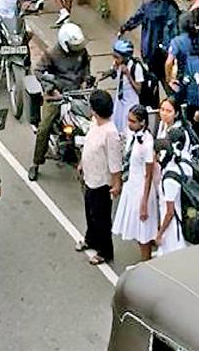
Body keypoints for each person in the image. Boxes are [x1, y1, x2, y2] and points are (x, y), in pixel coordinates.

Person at [28, 22, 92, 180]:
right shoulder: (52, 53)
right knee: (44, 128)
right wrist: (51, 89)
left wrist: (87, 81)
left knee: (91, 122)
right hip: (58, 96)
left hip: (77, 93)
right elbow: (38, 71)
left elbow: (86, 68)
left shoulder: (81, 51)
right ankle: (36, 163)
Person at [76, 89, 122, 266]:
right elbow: (88, 145)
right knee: (90, 212)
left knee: (101, 218)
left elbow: (115, 162)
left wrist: (116, 184)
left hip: (102, 183)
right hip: (90, 177)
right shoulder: (95, 123)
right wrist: (82, 163)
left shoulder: (111, 133)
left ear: (95, 109)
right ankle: (91, 239)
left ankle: (105, 251)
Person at [112, 105, 158, 262]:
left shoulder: (147, 143)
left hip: (141, 190)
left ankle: (147, 262)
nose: (129, 123)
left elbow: (148, 175)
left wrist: (144, 202)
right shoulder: (132, 135)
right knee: (138, 231)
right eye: (128, 120)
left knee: (143, 233)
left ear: (143, 123)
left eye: (133, 121)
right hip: (131, 186)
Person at [120, 0, 179, 91]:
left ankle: (154, 102)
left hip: (150, 49)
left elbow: (135, 19)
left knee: (152, 79)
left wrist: (124, 28)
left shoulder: (147, 7)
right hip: (165, 51)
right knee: (166, 80)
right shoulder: (171, 7)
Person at [155, 127, 192, 256]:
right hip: (180, 222)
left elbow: (169, 213)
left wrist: (159, 234)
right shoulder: (185, 162)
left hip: (172, 231)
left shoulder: (170, 178)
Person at [166, 8, 199, 120]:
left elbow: (169, 63)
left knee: (188, 117)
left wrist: (169, 79)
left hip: (187, 84)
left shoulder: (178, 41)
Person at [110, 38, 144, 134]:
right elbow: (114, 76)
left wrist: (128, 75)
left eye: (117, 57)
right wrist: (113, 70)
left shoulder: (136, 67)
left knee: (127, 129)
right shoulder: (117, 64)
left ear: (125, 57)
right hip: (119, 101)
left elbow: (138, 89)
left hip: (130, 102)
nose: (115, 59)